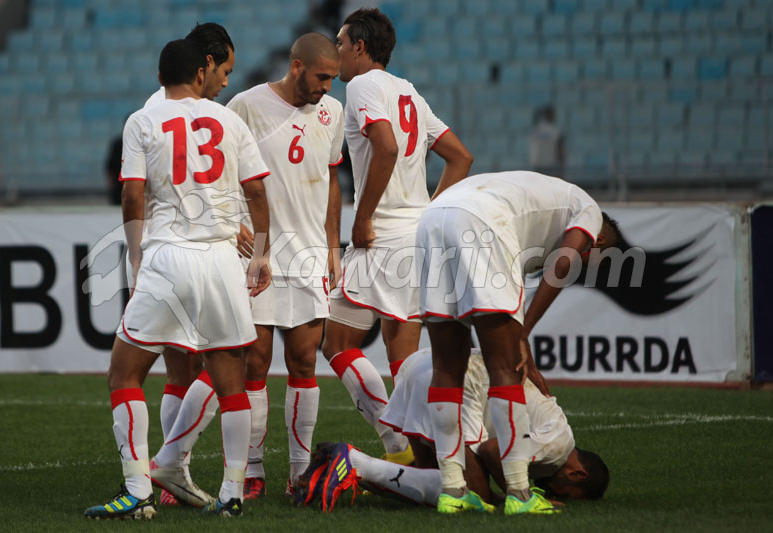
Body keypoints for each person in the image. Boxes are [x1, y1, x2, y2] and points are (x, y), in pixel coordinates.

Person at [151, 33, 345, 500]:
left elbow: (333, 179)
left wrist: (334, 245)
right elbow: (216, 167)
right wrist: (235, 222)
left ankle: (299, 473)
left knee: (303, 362)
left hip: (308, 253)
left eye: (333, 80)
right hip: (257, 254)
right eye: (322, 78)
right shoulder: (246, 105)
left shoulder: (333, 113)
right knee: (250, 363)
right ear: (297, 66)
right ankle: (251, 472)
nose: (327, 88)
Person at [83, 38, 271, 519]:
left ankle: (138, 491)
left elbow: (131, 195)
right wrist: (261, 254)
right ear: (201, 72)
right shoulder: (229, 118)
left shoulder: (143, 120)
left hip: (169, 257)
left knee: (124, 374)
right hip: (222, 263)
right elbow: (256, 191)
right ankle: (231, 494)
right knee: (231, 383)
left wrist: (136, 252)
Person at [414, 170, 620, 516]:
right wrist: (523, 332)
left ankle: (453, 490)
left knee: (447, 368)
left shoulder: (539, 221)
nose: (586, 263)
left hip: (433, 218)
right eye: (592, 258)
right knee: (505, 369)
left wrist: (520, 334)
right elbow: (564, 263)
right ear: (597, 241)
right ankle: (520, 494)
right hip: (481, 219)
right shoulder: (590, 211)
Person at [321, 7, 473, 464]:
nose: (338, 53)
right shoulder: (407, 90)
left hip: (382, 238)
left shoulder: (364, 85)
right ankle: (433, 452)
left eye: (342, 44)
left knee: (335, 343)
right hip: (415, 239)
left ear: (361, 48)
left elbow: (384, 145)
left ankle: (398, 444)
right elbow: (460, 157)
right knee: (402, 358)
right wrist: (430, 215)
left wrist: (362, 216)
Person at [292, 347, 609, 512]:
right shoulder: (559, 445)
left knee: (441, 485)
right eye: (565, 495)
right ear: (578, 474)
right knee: (474, 496)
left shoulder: (554, 428)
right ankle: (357, 464)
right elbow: (491, 450)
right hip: (460, 379)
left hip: (423, 365)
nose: (552, 494)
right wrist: (517, 495)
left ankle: (349, 465)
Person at [137, 22, 237, 509]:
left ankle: (174, 468)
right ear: (203, 66)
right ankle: (173, 463)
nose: (224, 82)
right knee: (220, 363)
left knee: (183, 368)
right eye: (223, 71)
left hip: (169, 254)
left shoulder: (154, 110)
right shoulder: (180, 112)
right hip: (197, 254)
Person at [528, 105, 565, 177]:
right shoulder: (556, 131)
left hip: (537, 167)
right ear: (551, 116)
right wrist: (562, 169)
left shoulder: (534, 131)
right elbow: (560, 152)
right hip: (552, 167)